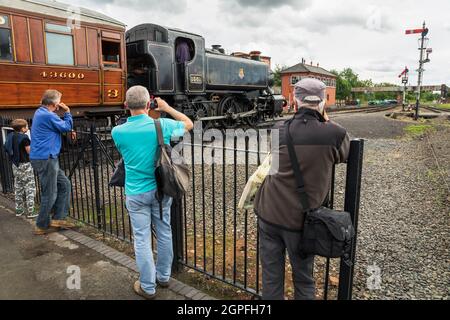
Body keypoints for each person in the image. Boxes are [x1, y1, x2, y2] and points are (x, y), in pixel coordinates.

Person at [254, 78, 350, 300]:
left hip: (268, 213)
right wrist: (326, 121)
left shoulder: (279, 129)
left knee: (271, 277)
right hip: (300, 222)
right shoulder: (335, 133)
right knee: (304, 279)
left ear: (294, 102)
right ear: (323, 102)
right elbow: (344, 153)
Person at [111, 85, 193, 300]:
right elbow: (188, 124)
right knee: (164, 231)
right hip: (160, 191)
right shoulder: (162, 126)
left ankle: (147, 287)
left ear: (126, 106)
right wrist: (166, 108)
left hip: (135, 193)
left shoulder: (117, 131)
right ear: (149, 104)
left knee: (141, 238)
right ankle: (164, 277)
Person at [30, 89, 75, 235]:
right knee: (50, 193)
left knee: (65, 184)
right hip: (46, 158)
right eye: (59, 102)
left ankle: (58, 219)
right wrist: (67, 112)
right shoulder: (48, 115)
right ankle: (41, 225)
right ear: (55, 103)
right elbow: (66, 127)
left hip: (45, 157)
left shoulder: (41, 113)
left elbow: (57, 128)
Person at [3, 119, 37, 218]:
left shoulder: (11, 136)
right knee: (29, 187)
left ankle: (19, 210)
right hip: (25, 165)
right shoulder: (24, 138)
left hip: (15, 165)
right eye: (26, 126)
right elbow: (29, 151)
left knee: (18, 187)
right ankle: (31, 211)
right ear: (22, 128)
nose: (27, 128)